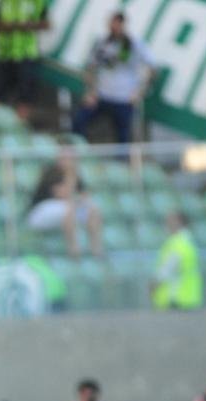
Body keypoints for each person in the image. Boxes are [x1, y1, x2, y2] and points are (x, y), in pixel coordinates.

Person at [72, 12, 157, 146]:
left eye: (117, 24)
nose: (114, 27)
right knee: (79, 122)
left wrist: (141, 92)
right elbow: (90, 67)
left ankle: (121, 162)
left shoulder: (134, 44)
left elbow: (153, 67)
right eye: (112, 23)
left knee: (123, 137)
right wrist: (90, 91)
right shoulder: (102, 42)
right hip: (101, 95)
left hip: (124, 99)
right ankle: (78, 152)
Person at [26, 148, 103, 257]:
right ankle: (73, 250)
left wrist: (80, 197)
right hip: (41, 211)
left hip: (63, 208)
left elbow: (84, 195)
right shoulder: (51, 172)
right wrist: (70, 177)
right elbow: (63, 195)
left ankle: (96, 249)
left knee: (93, 209)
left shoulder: (76, 175)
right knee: (69, 208)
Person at [0, 0, 48, 120]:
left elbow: (46, 24)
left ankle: (19, 128)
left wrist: (30, 25)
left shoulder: (37, 2)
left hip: (27, 54)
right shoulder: (4, 2)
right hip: (4, 53)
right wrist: (9, 26)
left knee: (25, 96)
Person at [151, 211, 202, 311]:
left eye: (169, 220)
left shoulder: (177, 243)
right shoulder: (189, 242)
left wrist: (154, 284)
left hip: (174, 300)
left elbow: (167, 270)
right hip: (189, 300)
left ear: (178, 222)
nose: (166, 224)